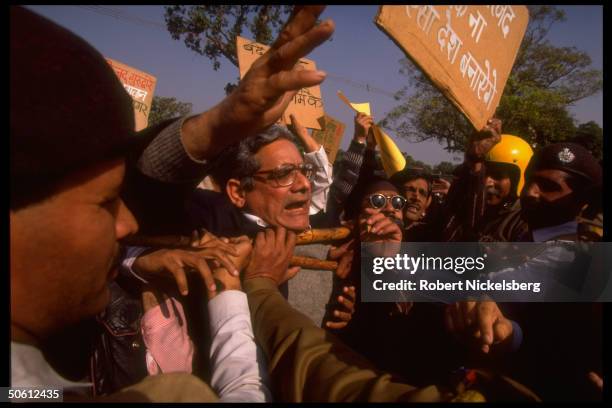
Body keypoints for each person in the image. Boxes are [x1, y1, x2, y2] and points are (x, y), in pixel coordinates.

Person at [11, 5, 334, 401]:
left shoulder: (329, 247)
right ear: (235, 191)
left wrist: (375, 282)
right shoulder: (204, 232)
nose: (303, 185)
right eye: (104, 204)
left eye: (305, 171)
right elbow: (153, 195)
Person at [436, 120, 533, 242]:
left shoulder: (524, 222)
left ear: (516, 180)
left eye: (498, 175)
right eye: (484, 174)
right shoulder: (468, 206)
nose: (487, 182)